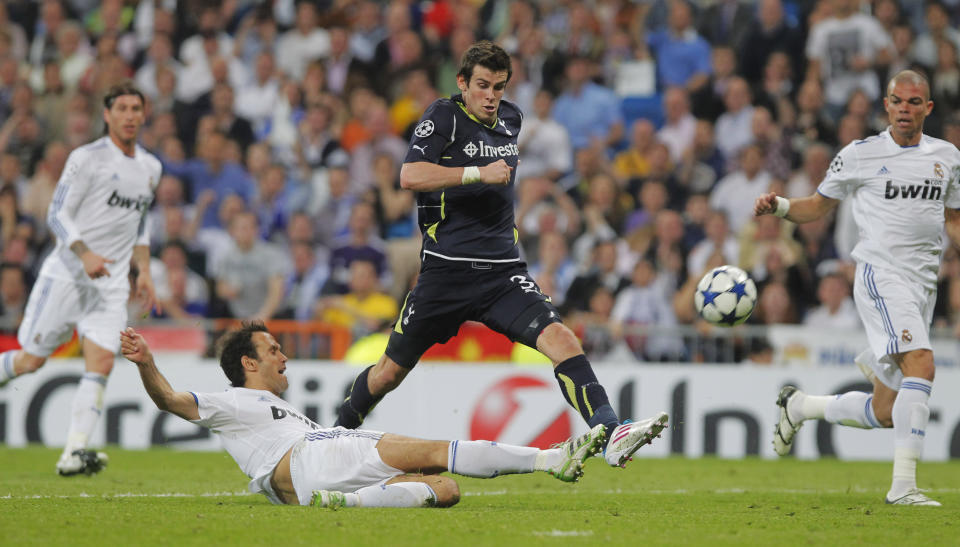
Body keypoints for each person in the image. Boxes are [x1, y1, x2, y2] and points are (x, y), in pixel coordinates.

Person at [332, 41, 668, 468]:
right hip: (445, 273)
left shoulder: (512, 118)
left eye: (499, 87)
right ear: (463, 84)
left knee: (562, 338)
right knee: (388, 374)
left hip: (502, 273)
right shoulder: (443, 117)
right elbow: (409, 175)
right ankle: (333, 435)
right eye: (483, 86)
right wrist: (477, 173)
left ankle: (611, 431)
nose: (491, 96)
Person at [120, 323, 607, 509]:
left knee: (446, 490)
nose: (283, 356)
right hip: (316, 455)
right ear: (248, 364)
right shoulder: (233, 401)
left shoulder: (275, 410)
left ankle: (345, 504)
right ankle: (551, 461)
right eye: (273, 350)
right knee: (438, 450)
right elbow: (170, 400)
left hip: (311, 476)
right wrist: (147, 363)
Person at [754, 70, 960, 506]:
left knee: (885, 411)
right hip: (880, 275)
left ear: (928, 108)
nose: (905, 108)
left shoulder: (948, 156)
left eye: (914, 101)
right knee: (921, 365)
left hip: (923, 285)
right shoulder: (860, 154)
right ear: (886, 105)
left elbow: (955, 218)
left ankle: (800, 406)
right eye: (897, 101)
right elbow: (817, 206)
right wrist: (782, 206)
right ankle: (904, 488)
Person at [0, 82, 161, 476]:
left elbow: (139, 222)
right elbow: (57, 214)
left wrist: (144, 270)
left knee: (102, 361)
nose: (129, 115)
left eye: (135, 108)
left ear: (143, 114)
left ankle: (73, 452)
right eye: (121, 108)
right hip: (67, 276)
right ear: (107, 115)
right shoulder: (86, 158)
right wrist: (84, 253)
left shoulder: (151, 167)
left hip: (109, 286)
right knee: (30, 361)